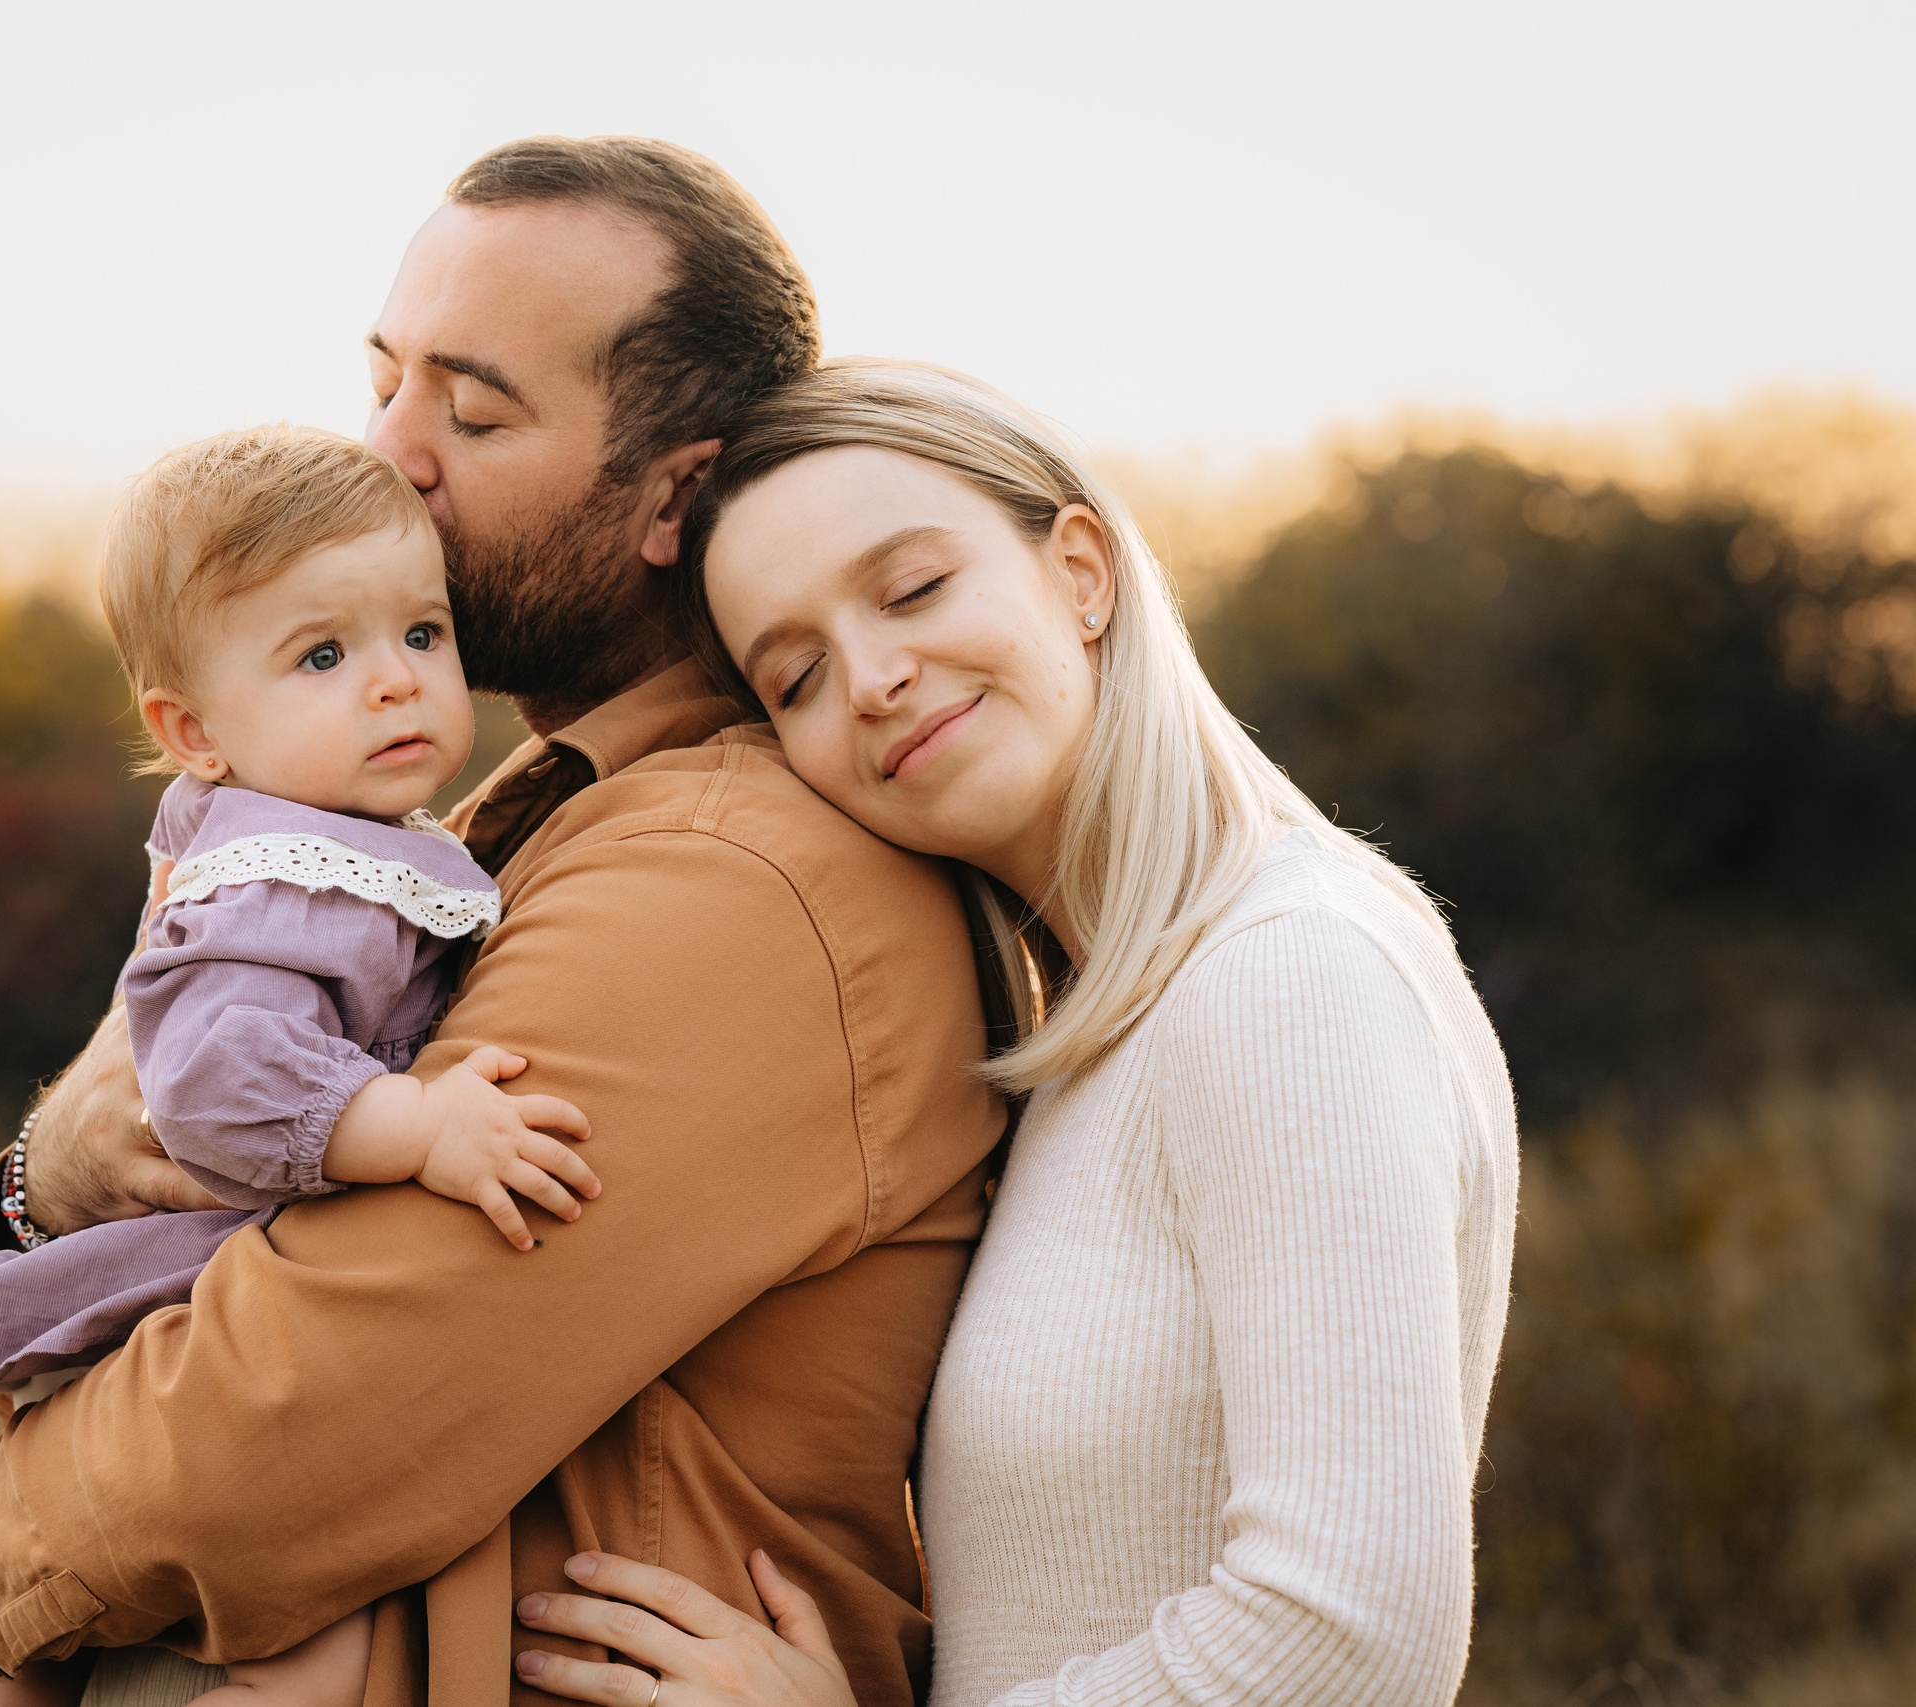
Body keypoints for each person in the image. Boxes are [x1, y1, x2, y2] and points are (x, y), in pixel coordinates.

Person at [0, 142, 1012, 1707]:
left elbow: (268, 1441)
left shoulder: (728, 879)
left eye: (474, 415)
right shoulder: (476, 827)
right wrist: (49, 1173)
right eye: (386, 384)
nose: (391, 455)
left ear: (674, 495)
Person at [505, 361, 1521, 1707]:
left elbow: (1349, 1633)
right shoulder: (1100, 1025)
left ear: (1082, 572)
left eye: (915, 589)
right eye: (797, 677)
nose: (873, 680)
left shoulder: (1290, 973)